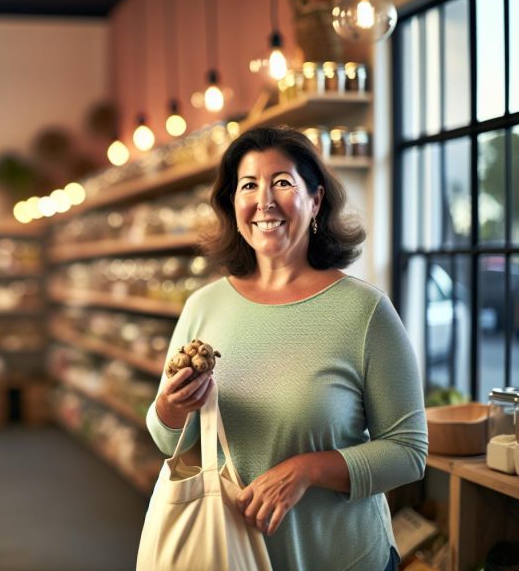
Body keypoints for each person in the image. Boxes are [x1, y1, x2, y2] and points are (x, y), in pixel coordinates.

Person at [147, 126, 427, 571]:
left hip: (342, 559)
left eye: (282, 182)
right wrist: (169, 405)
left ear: (315, 200)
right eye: (249, 185)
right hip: (227, 556)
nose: (264, 202)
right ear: (232, 204)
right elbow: (166, 439)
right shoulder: (204, 306)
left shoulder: (364, 311)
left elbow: (409, 451)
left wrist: (307, 470)